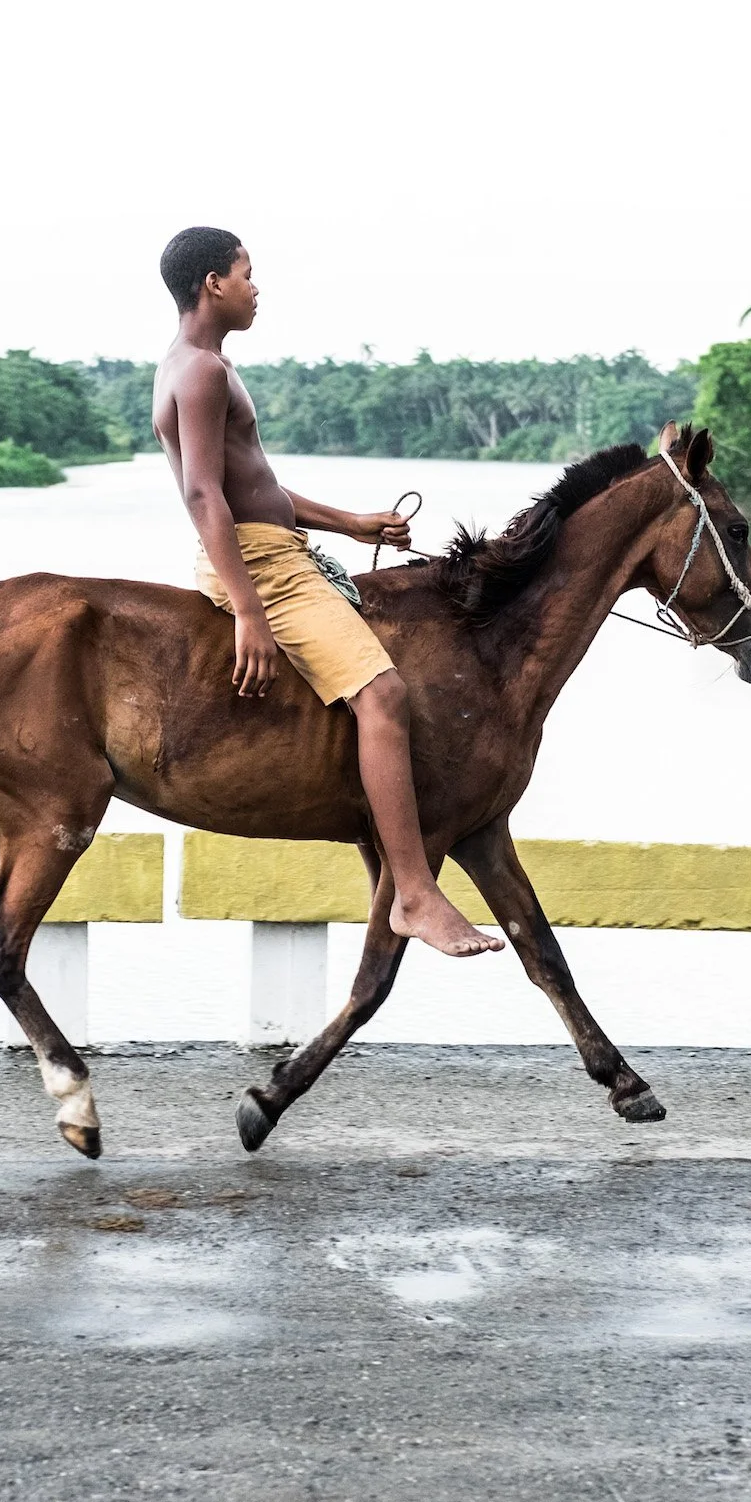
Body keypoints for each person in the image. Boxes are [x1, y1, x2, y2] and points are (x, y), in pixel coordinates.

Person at [152, 226, 503, 959]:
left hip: (279, 550)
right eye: (248, 273)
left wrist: (350, 523)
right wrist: (250, 609)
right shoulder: (203, 373)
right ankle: (412, 894)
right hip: (264, 566)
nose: (257, 287)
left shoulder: (198, 364)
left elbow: (258, 485)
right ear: (213, 283)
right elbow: (204, 493)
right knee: (384, 695)